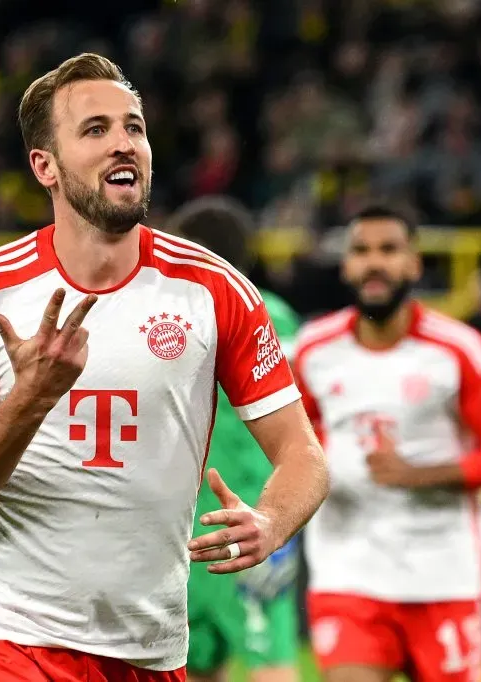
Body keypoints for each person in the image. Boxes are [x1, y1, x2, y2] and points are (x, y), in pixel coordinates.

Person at [0, 53, 330, 682]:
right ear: (45, 167)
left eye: (133, 127)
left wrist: (271, 521)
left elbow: (303, 454)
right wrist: (32, 397)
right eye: (95, 130)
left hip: (150, 647)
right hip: (8, 634)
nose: (123, 145)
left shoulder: (215, 292)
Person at [294, 204, 481, 682]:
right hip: (349, 571)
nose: (374, 263)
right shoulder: (313, 350)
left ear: (414, 264)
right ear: (346, 266)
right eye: (362, 251)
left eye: (389, 250)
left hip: (443, 576)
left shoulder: (455, 349)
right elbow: (292, 440)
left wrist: (416, 476)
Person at [170, 196, 304, 682]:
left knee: (197, 662)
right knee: (265, 652)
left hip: (194, 516)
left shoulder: (181, 318)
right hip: (265, 512)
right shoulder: (282, 316)